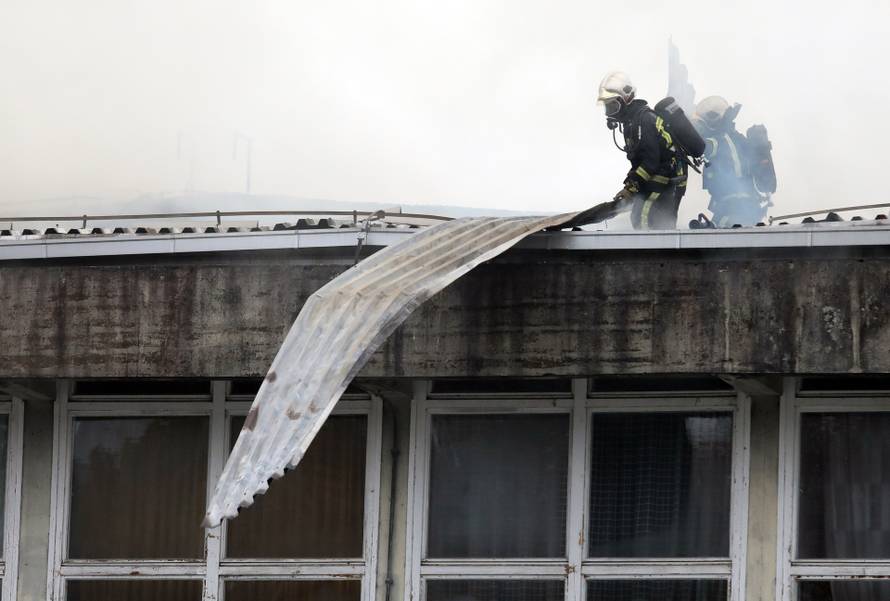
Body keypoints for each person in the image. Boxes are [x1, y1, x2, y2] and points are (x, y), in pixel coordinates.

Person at [693, 95, 777, 227]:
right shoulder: (736, 137)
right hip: (746, 204)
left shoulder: (720, 140)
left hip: (734, 205)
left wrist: (684, 133)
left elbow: (702, 146)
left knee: (717, 232)